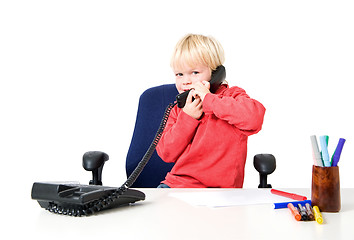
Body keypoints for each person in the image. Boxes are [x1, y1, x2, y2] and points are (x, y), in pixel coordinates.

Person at [156, 34, 266, 188]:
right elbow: (166, 153)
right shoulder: (179, 109)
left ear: (215, 73)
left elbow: (254, 119)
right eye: (179, 74)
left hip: (223, 193)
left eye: (195, 72)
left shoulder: (231, 97)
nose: (185, 81)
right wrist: (187, 117)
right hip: (179, 186)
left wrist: (209, 99)